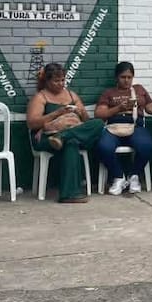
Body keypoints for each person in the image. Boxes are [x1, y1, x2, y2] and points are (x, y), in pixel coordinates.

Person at [26, 62, 105, 203]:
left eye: (63, 80)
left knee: (98, 124)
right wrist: (58, 113)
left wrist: (81, 112)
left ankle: (62, 137)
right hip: (46, 137)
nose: (61, 84)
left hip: (70, 132)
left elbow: (86, 121)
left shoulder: (71, 95)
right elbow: (32, 123)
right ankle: (69, 194)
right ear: (47, 81)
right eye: (56, 81)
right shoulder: (41, 97)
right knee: (71, 142)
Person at [94, 61, 152, 195]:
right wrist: (118, 108)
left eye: (129, 77)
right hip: (114, 127)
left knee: (146, 146)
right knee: (103, 147)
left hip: (135, 126)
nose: (126, 80)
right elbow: (99, 113)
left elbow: (151, 109)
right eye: (123, 77)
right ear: (116, 78)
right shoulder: (109, 93)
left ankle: (134, 176)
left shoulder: (139, 89)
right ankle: (118, 177)